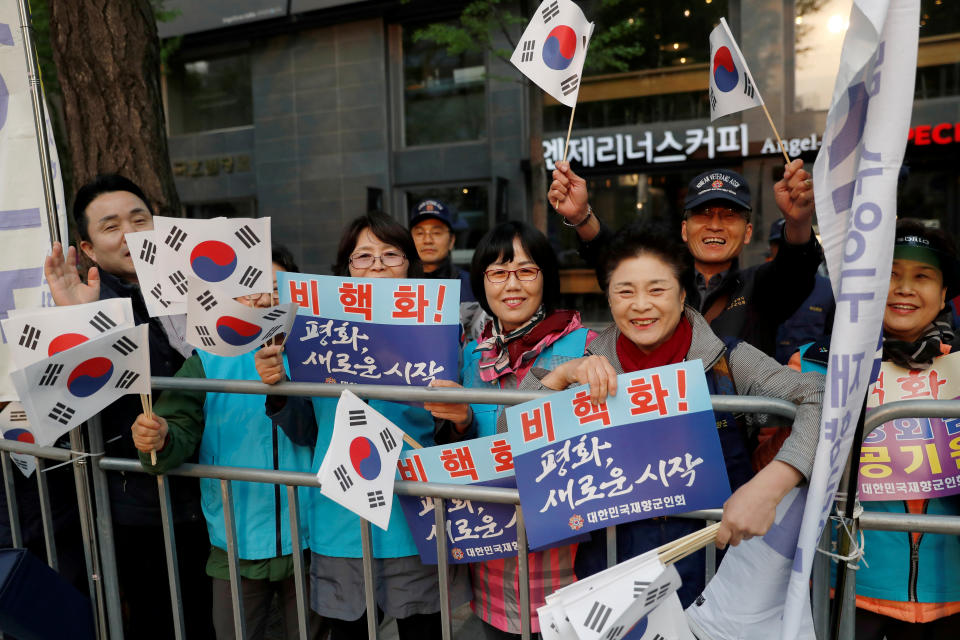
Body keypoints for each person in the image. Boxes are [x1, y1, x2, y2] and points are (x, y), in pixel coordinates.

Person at [522, 224, 823, 606]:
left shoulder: (728, 361)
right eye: (625, 291)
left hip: (716, 585)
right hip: (614, 585)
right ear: (610, 300)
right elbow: (509, 435)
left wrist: (772, 484)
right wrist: (561, 377)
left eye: (657, 289)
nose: (641, 304)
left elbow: (817, 394)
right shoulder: (589, 370)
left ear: (683, 296)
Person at [255, 212, 467, 640]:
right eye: (363, 256)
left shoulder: (439, 333)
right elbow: (305, 430)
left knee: (423, 629)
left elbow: (450, 431)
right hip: (342, 521)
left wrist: (457, 417)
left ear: (410, 265)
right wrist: (278, 388)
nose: (376, 265)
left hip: (412, 517)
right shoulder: (311, 334)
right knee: (348, 631)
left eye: (391, 255)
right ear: (345, 269)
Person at [42, 174, 213, 639]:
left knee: (206, 616)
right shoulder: (89, 303)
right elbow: (70, 402)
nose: (131, 233)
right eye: (112, 225)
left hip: (214, 491)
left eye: (140, 219)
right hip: (136, 502)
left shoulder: (201, 289)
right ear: (90, 249)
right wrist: (77, 319)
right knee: (159, 616)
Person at [129, 246, 325, 640]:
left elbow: (314, 431)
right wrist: (159, 437)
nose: (261, 299)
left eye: (274, 287)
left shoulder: (317, 355)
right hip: (231, 543)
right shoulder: (205, 360)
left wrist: (283, 389)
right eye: (247, 288)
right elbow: (177, 429)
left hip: (309, 541)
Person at [424, 221, 596, 638]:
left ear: (546, 278)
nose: (511, 284)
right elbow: (467, 449)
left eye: (526, 270)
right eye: (498, 272)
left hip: (566, 558)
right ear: (482, 282)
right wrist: (461, 421)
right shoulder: (473, 355)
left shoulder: (586, 346)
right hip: (494, 554)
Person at [803, 220, 960, 640]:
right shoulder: (817, 363)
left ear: (944, 294)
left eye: (922, 276)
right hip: (851, 586)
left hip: (951, 589)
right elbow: (775, 461)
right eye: (889, 275)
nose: (904, 288)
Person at [548, 161, 822, 357]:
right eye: (703, 214)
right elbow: (613, 257)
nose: (715, 225)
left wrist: (797, 222)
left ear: (748, 232)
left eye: (728, 215)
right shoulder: (664, 282)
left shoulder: (762, 286)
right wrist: (581, 216)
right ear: (684, 229)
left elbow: (795, 268)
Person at [409, 199, 486, 340]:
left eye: (436, 233)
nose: (427, 240)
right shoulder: (399, 286)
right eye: (420, 233)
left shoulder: (473, 284)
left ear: (451, 241)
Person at [767, 218, 835, 364]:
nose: (786, 250)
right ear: (770, 248)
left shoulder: (828, 290)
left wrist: (814, 355)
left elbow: (835, 343)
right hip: (762, 377)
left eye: (793, 244)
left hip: (811, 377)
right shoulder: (757, 285)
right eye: (779, 244)